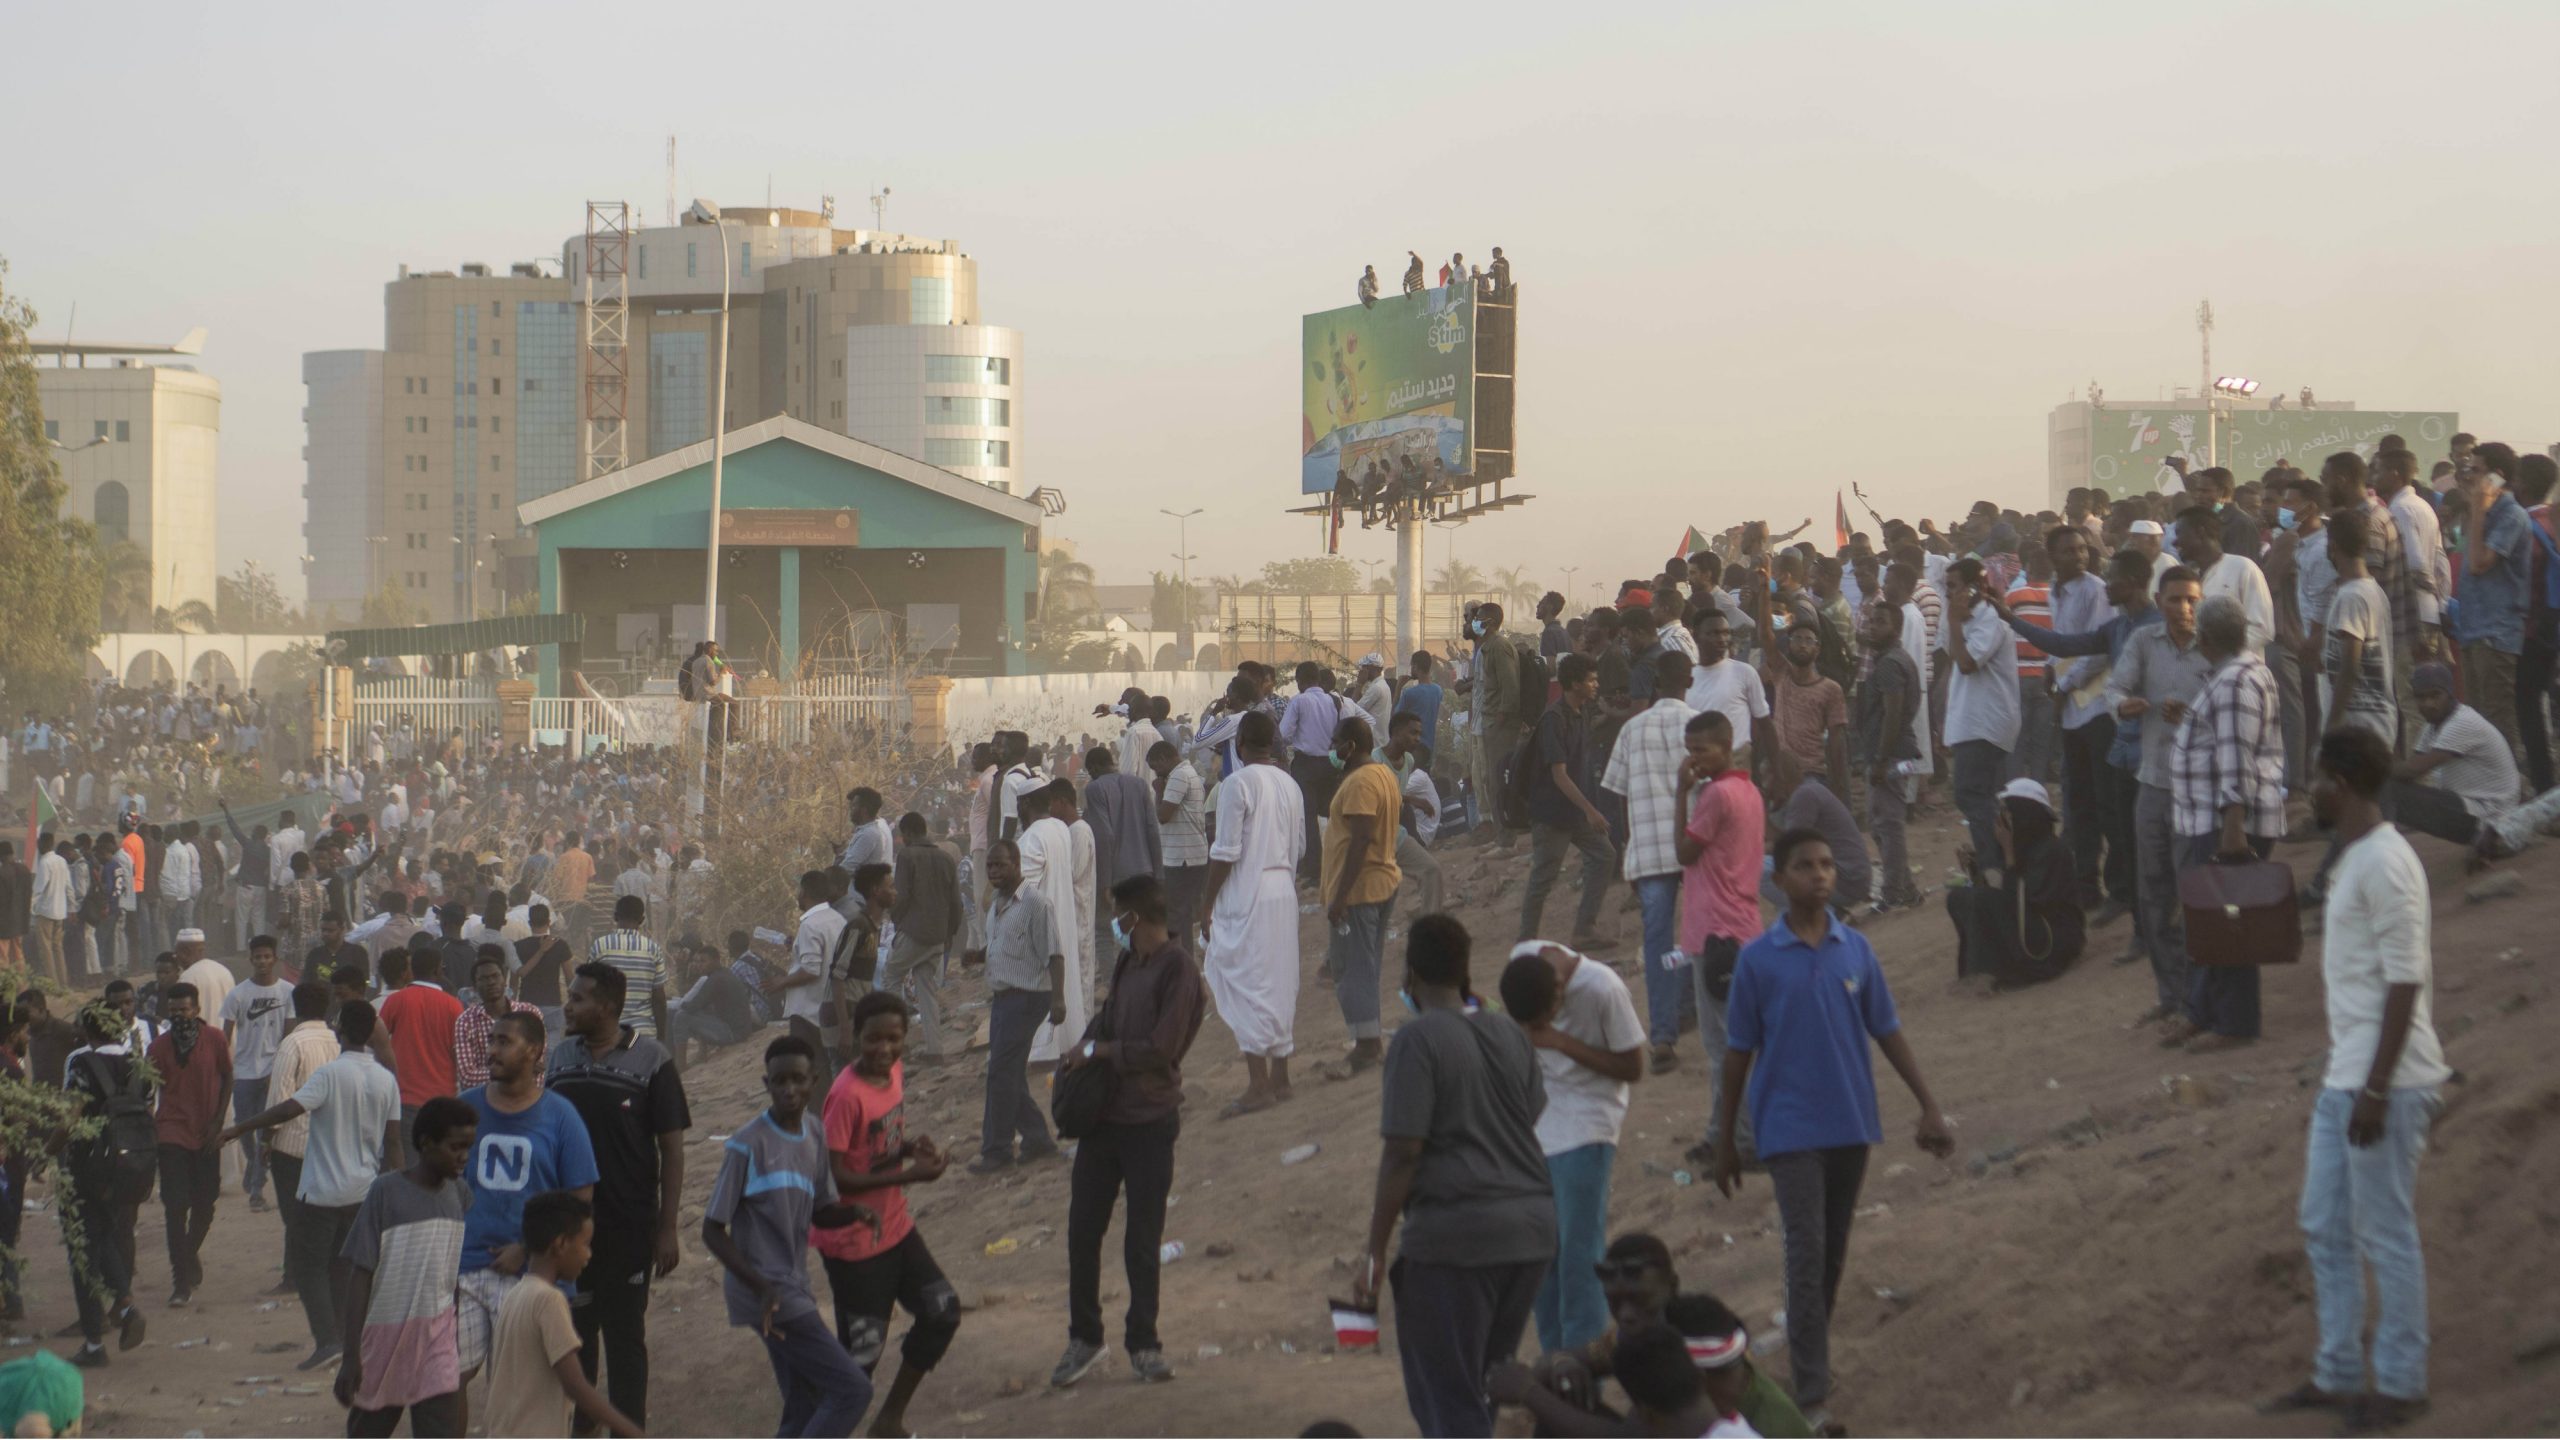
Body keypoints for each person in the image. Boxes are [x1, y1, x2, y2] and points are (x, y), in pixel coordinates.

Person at [1713, 828, 1954, 1428]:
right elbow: (1737, 1054)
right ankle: (1813, 1396)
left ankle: (1806, 1354)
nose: (1819, 874)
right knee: (1806, 1248)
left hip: (1850, 1122)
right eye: (1804, 866)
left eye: (1825, 865)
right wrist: (1724, 1140)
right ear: (1780, 879)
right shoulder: (1758, 961)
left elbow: (1887, 1028)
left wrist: (1928, 1104)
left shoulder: (1856, 950)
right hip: (1788, 1130)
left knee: (1830, 1253)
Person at [2263, 727, 2448, 1435]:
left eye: (2315, 778)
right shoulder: (2358, 856)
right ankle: (2337, 1371)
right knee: (2325, 1222)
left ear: (2338, 782)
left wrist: (2376, 1088)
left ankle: (2403, 1384)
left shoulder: (2386, 863)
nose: (2309, 790)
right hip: (2351, 1074)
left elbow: (2407, 980)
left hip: (2387, 1082)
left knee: (2385, 1231)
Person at [1352, 913, 1555, 1439]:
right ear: (1465, 970)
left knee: (1450, 1403)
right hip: (1529, 1233)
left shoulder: (1418, 1041)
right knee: (1485, 1385)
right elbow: (1528, 1116)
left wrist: (1374, 1253)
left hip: (1456, 1242)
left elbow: (1403, 1154)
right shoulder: (1508, 1032)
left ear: (1410, 975)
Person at [1051, 874, 1207, 1390]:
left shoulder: (1178, 970)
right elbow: (1113, 1019)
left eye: (1118, 915)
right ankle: (1085, 1338)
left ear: (1133, 918)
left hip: (1149, 1122)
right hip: (1105, 1122)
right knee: (1082, 1233)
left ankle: (1144, 1344)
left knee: (1142, 1239)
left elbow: (1161, 1048)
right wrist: (1086, 1049)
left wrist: (1101, 1052)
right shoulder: (1127, 962)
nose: (1114, 925)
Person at [701, 1035, 881, 1439]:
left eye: (798, 1080)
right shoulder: (746, 1145)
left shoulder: (815, 1135)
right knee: (852, 1391)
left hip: (788, 1285)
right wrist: (761, 1286)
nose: (789, 1089)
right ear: (766, 1084)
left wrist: (854, 1213)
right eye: (780, 1081)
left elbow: (821, 1210)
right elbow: (712, 1229)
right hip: (768, 1293)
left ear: (814, 1081)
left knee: (804, 1402)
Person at [547, 963, 690, 1431]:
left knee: (626, 1339)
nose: (569, 1005)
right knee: (578, 1338)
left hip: (629, 1227)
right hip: (570, 1231)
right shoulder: (560, 1056)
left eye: (579, 998)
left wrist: (666, 1229)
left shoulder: (652, 1059)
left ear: (608, 1007)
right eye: (570, 997)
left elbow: (671, 1149)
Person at [223, 996, 399, 1373]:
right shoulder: (386, 1080)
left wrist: (241, 1127)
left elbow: (289, 1109)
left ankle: (326, 1341)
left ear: (340, 1030)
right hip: (363, 1191)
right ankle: (347, 1340)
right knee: (343, 1268)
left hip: (320, 1191)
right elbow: (395, 1142)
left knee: (308, 1268)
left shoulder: (330, 1075)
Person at [816, 991, 958, 1436]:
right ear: (856, 1036)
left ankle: (889, 1420)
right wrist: (911, 1177)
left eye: (893, 1039)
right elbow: (836, 1178)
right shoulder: (844, 1095)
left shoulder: (893, 1072)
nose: (884, 1050)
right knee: (862, 1354)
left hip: (894, 1226)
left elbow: (876, 1147)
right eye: (873, 1039)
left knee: (942, 1312)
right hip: (854, 1240)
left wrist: (909, 1147)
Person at [456, 1014, 600, 1422]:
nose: (492, 1050)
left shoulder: (560, 1116)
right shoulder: (466, 1108)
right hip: (467, 1268)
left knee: (522, 1384)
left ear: (535, 1051)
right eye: (491, 1040)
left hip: (531, 1276)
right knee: (450, 1377)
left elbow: (579, 1199)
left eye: (505, 1041)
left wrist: (528, 1248)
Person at [1500, 943, 1642, 1356]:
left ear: (1561, 992)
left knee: (1579, 1257)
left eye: (1544, 1019)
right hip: (1536, 1126)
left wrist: (1560, 1041)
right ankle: (1554, 1362)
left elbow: (1633, 1069)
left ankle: (1584, 1374)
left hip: (1588, 1124)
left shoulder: (1604, 989)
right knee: (1540, 1254)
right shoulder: (1524, 962)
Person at [2159, 596, 2286, 1052]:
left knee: (2228, 924)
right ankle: (2204, 1012)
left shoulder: (2234, 681)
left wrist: (2233, 825)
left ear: (2205, 639)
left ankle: (2234, 1023)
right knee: (2216, 922)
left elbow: (2236, 757)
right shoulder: (2241, 673)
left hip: (2227, 821)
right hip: (2215, 818)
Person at [2106, 567, 2212, 1031]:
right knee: (2153, 894)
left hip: (2199, 788)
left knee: (2193, 896)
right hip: (2153, 782)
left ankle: (2199, 1000)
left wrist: (2191, 715)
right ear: (2159, 600)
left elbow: (2234, 713)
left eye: (2192, 600)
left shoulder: (2215, 647)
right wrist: (2121, 705)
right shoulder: (2145, 643)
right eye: (2175, 600)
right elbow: (2116, 688)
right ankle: (2172, 995)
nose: (2184, 609)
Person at [335, 1095, 475, 1436]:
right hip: (385, 1341)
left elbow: (448, 1269)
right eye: (456, 1147)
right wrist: (351, 1356)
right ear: (426, 1143)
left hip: (437, 1340)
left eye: (468, 1147)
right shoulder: (386, 1192)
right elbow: (360, 1274)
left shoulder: (459, 1195)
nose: (464, 1156)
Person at [1196, 711, 1305, 1109]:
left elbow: (1224, 852)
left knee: (1245, 981)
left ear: (1239, 743)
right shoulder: (1290, 785)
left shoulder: (1236, 784)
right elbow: (1301, 847)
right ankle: (1281, 1078)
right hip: (1282, 887)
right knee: (1279, 979)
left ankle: (1259, 1084)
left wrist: (1206, 904)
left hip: (1248, 889)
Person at [1675, 710, 1763, 1168]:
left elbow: (1683, 851)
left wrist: (1679, 794)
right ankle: (1720, 1132)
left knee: (1727, 1046)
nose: (1694, 760)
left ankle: (1742, 1140)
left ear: (1726, 747)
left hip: (1716, 932)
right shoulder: (1748, 791)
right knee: (1727, 1044)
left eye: (1702, 751)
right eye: (1690, 752)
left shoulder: (1714, 795)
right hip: (1739, 926)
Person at [485, 1190, 642, 1438]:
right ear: (560, 1244)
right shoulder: (550, 1300)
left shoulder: (516, 1295)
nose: (589, 1255)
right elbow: (576, 1385)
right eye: (585, 1245)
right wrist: (632, 1431)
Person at [59, 1001, 152, 1368]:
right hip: (128, 1166)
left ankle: (95, 1343)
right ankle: (126, 1309)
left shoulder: (83, 1063)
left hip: (88, 1168)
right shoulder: (138, 1065)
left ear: (88, 1030)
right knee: (105, 1237)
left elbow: (70, 1117)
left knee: (82, 1251)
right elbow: (148, 1107)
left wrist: (47, 1152)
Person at [965, 839, 1063, 1172]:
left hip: (1028, 997)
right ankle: (1037, 1140)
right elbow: (1002, 946)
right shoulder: (997, 904)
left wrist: (1059, 998)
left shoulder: (1036, 904)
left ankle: (997, 1150)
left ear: (1016, 864)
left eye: (1000, 865)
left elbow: (1054, 954)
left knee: (1000, 1074)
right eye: (990, 866)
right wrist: (977, 956)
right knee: (1009, 1074)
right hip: (1004, 997)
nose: (993, 871)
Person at [1323, 714, 1405, 1080]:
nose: (1333, 749)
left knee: (1352, 968)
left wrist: (1340, 897)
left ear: (1350, 745)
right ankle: (1368, 1038)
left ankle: (1367, 1046)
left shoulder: (1360, 782)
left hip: (1360, 889)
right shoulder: (1383, 774)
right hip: (1380, 880)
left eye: (1336, 742)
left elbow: (1361, 839)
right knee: (1364, 965)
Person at [1518, 653, 1616, 950]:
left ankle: (1584, 930)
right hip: (1553, 814)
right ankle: (1525, 943)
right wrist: (1591, 811)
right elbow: (1559, 775)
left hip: (1572, 811)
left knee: (1605, 856)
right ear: (1575, 684)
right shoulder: (1554, 718)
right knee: (1542, 879)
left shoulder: (1579, 712)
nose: (1596, 684)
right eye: (1591, 680)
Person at [1945, 779, 2082, 989]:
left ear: (2025, 813)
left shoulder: (2053, 850)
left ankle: (2004, 971)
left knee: (1985, 898)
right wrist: (1974, 868)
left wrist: (2008, 854)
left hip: (2052, 937)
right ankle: (1979, 970)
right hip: (2026, 922)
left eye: (2008, 812)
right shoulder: (2019, 843)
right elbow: (1999, 892)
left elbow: (2025, 899)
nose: (2002, 818)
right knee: (1958, 897)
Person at [145, 981, 230, 1308]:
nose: (180, 1015)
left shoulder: (215, 1038)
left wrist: (219, 1120)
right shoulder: (159, 1047)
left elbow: (227, 1077)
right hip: (171, 1132)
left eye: (185, 1009)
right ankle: (179, 1281)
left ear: (196, 1010)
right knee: (175, 1207)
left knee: (206, 1204)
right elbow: (148, 1088)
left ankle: (188, 1251)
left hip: (206, 1131)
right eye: (175, 1010)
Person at [260, 979, 338, 1308]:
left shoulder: (292, 1044)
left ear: (296, 1006)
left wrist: (267, 1139)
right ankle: (323, 1268)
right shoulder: (338, 1040)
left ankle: (294, 1274)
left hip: (292, 1144)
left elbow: (279, 1099)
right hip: (330, 1142)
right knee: (324, 1211)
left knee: (294, 1214)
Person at [2382, 663, 2521, 849]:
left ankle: (2382, 852)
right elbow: (2409, 770)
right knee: (2388, 788)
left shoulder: (2462, 722)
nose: (2428, 704)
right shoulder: (2433, 725)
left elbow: (2412, 770)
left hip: (2491, 819)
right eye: (2421, 697)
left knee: (2387, 791)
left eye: (2435, 695)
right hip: (2475, 810)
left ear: (2450, 694)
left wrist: (2371, 768)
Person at [1939, 556, 2022, 864]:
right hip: (1973, 722)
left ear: (1976, 586)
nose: (1948, 593)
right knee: (1985, 797)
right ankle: (2000, 863)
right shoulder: (1969, 619)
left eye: (1953, 586)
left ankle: (1994, 867)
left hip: (1984, 722)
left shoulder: (1989, 618)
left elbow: (1967, 664)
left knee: (1971, 795)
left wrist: (1952, 621)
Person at [2453, 441, 2533, 762]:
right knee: (2476, 717)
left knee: (2497, 718)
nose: (2469, 475)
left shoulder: (2511, 515)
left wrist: (2479, 511)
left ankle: (2507, 790)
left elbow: (2479, 563)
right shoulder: (2483, 513)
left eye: (2477, 470)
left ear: (2497, 477)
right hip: (2473, 627)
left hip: (2497, 631)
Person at [1850, 602, 1924, 914]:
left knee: (1887, 824)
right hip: (1897, 753)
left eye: (1879, 622)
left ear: (1894, 628)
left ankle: (1894, 893)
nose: (1871, 627)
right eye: (1870, 621)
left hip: (1891, 756)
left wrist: (1880, 758)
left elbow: (1894, 713)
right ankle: (1905, 888)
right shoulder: (1894, 657)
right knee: (1882, 825)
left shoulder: (1889, 665)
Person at [220, 933, 294, 1213]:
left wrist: (283, 1069)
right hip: (244, 1073)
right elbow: (225, 1036)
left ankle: (257, 1189)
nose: (262, 961)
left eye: (267, 956)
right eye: (257, 957)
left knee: (266, 1131)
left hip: (273, 1073)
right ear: (251, 960)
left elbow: (289, 1034)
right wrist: (223, 1070)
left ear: (274, 959)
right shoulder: (238, 994)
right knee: (244, 1125)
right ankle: (254, 1165)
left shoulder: (287, 992)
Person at [884, 811, 964, 1065]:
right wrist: (949, 935)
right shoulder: (945, 858)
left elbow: (903, 896)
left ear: (906, 834)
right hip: (938, 935)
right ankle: (934, 1050)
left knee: (891, 978)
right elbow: (956, 903)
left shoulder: (907, 855)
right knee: (926, 988)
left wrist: (896, 920)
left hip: (914, 931)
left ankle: (899, 1046)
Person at [2321, 504, 2397, 747]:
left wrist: (2332, 726)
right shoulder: (2371, 590)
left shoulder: (2351, 596)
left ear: (2333, 547)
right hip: (2373, 723)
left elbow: (2349, 666)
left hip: (2358, 728)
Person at [1081, 747, 1163, 962]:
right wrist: (1158, 873)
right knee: (1143, 927)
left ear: (1093, 768)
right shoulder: (1139, 784)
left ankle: (1111, 984)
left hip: (1117, 874)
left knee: (1104, 931)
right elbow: (1153, 830)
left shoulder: (1094, 789)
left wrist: (1105, 883)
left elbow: (1105, 836)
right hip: (1144, 871)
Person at [376, 942, 462, 1132]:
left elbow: (378, 1043)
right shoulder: (453, 1006)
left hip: (403, 1098)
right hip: (443, 1098)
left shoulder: (395, 1001)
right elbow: (458, 1053)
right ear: (437, 969)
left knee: (406, 1159)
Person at [1683, 613, 1772, 777]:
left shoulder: (1744, 672)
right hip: (1699, 767)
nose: (1722, 639)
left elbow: (1765, 724)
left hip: (1736, 761)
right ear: (1696, 636)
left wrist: (1775, 771)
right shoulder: (1687, 678)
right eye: (1714, 633)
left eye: (1726, 633)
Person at [782, 869, 850, 1077]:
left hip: (807, 1008)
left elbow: (811, 969)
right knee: (828, 1067)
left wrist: (781, 982)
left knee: (810, 1069)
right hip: (831, 1004)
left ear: (804, 892)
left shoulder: (810, 924)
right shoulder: (838, 919)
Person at [1149, 742, 1211, 948]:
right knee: (1183, 914)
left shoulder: (1178, 776)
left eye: (1156, 767)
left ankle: (1180, 963)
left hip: (1182, 857)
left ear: (1164, 758)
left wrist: (1158, 791)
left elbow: (1164, 815)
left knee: (1176, 915)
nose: (1156, 773)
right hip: (1189, 853)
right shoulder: (1187, 772)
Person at [586, 895, 670, 1041]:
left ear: (615, 917)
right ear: (642, 920)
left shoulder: (600, 946)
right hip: (643, 1034)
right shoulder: (653, 949)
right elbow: (659, 998)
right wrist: (661, 1034)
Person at [841, 787, 895, 873]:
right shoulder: (865, 831)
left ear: (864, 810)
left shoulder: (869, 834)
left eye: (854, 805)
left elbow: (847, 867)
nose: (851, 810)